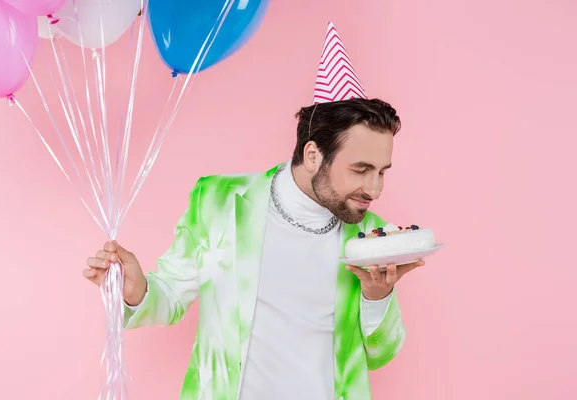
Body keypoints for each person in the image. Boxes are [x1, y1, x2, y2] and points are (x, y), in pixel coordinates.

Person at [83, 21, 425, 400]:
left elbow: (379, 355)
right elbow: (170, 296)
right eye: (361, 170)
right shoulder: (219, 201)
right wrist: (138, 289)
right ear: (314, 154)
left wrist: (378, 296)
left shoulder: (373, 238)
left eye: (381, 172)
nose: (374, 189)